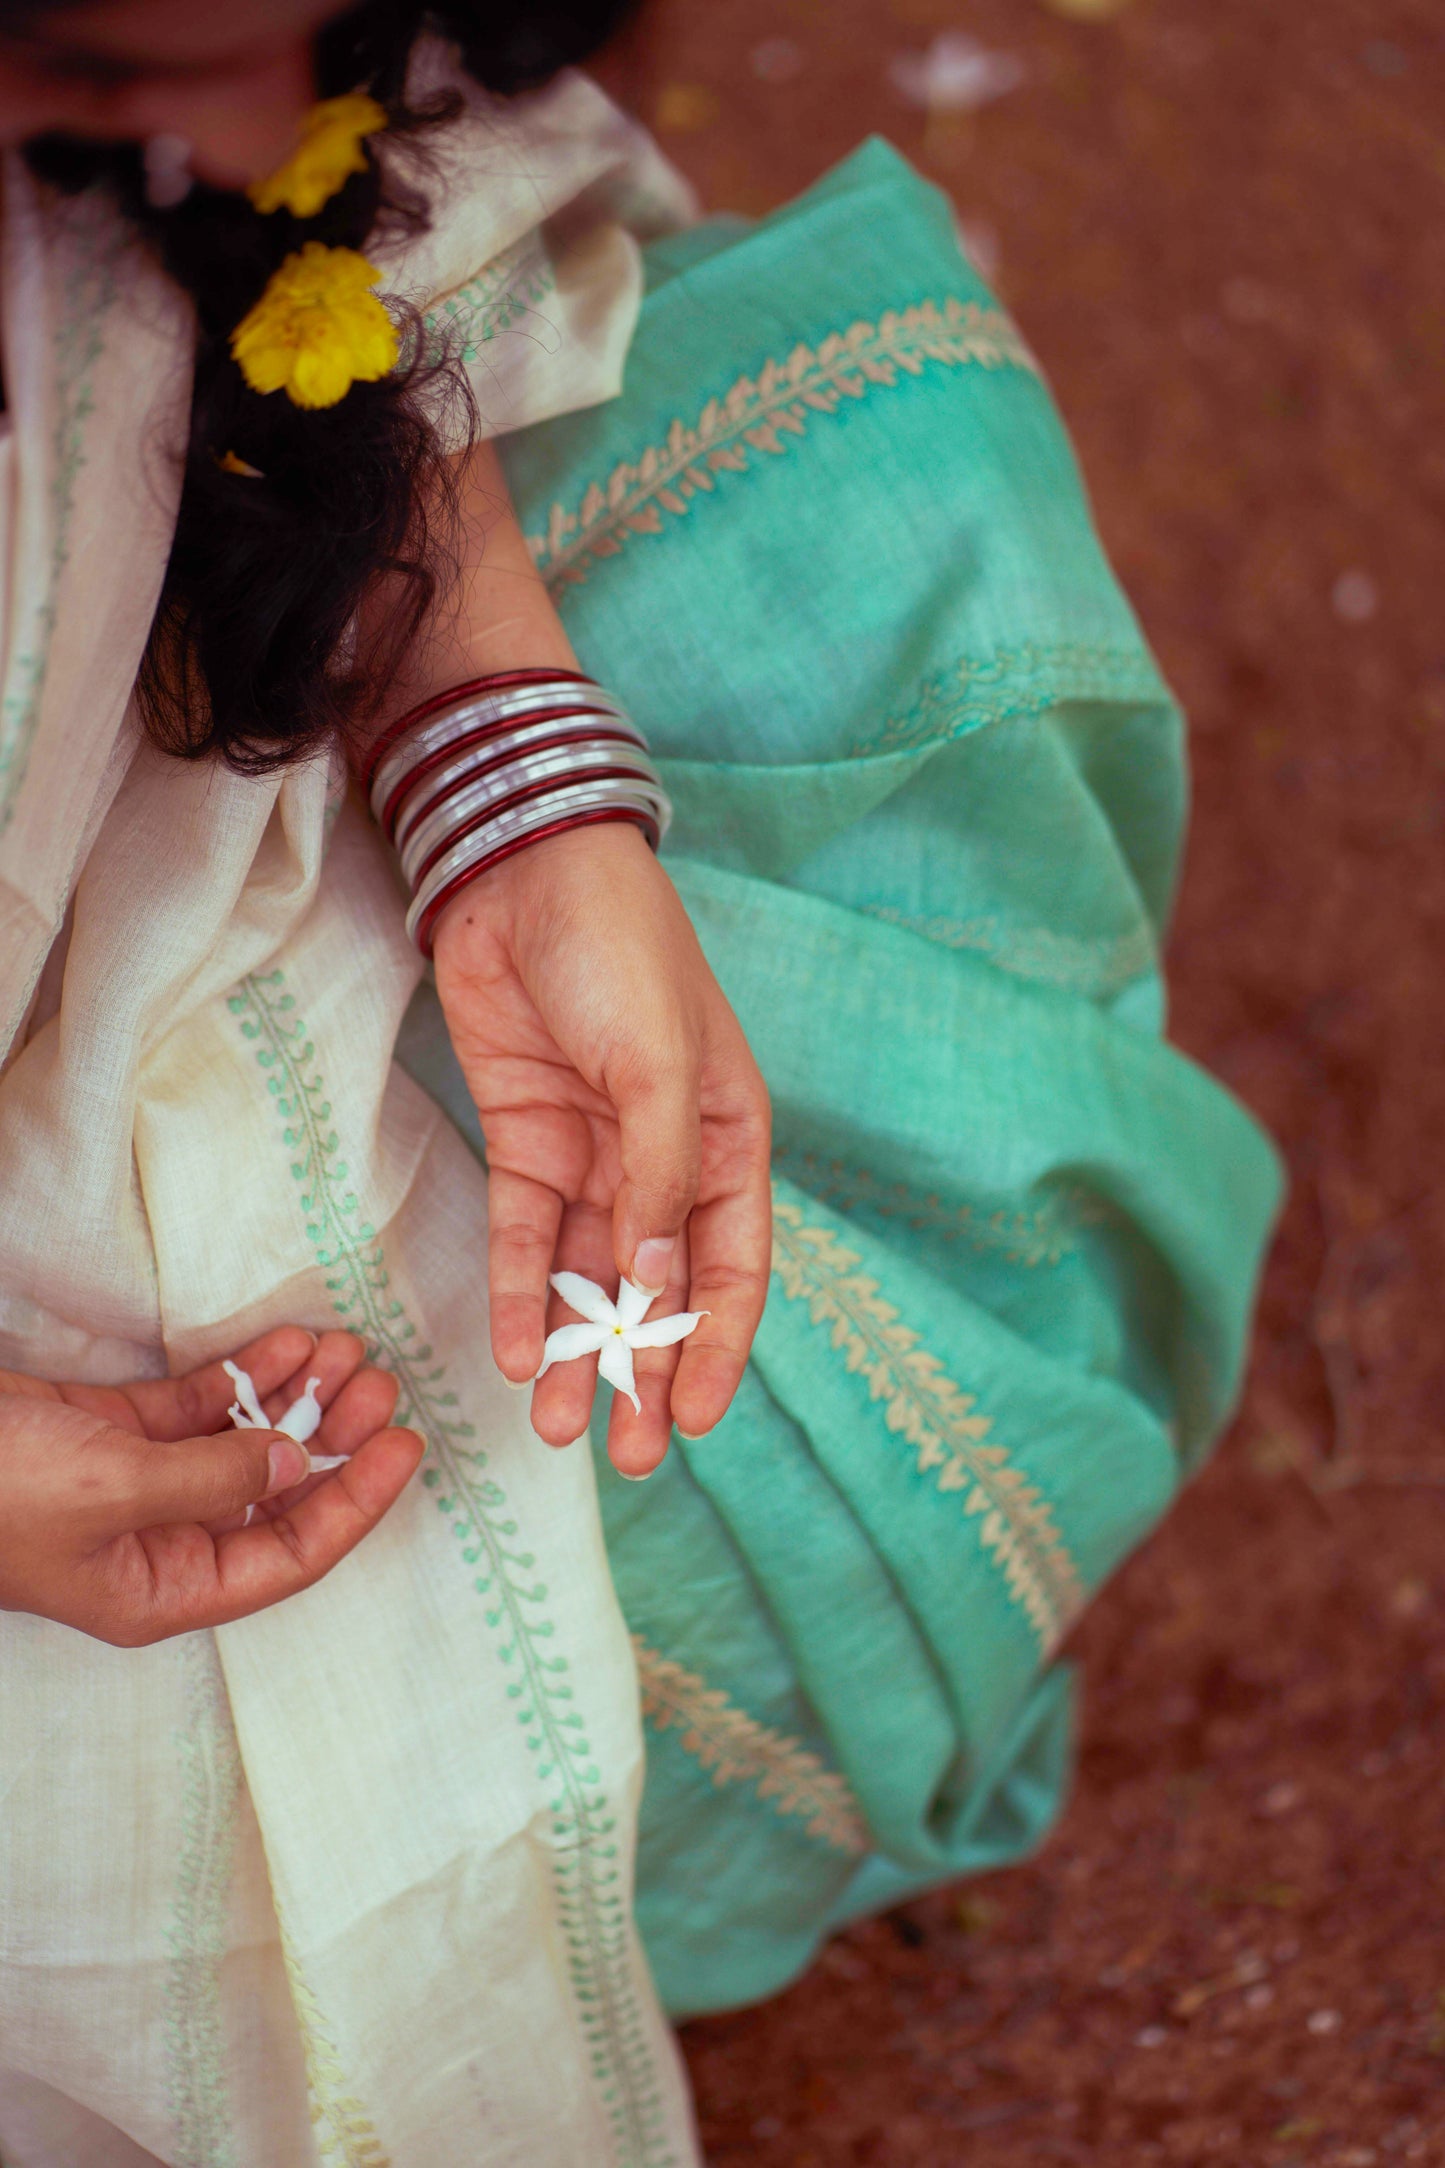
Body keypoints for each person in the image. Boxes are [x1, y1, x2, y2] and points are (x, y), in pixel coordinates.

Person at [0, 2, 1280, 2162]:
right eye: (110, 87)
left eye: (301, 44)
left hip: (193, 736)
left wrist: (515, 785)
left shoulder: (234, 101)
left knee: (716, 1405)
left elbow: (327, 275)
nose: (228, 132)